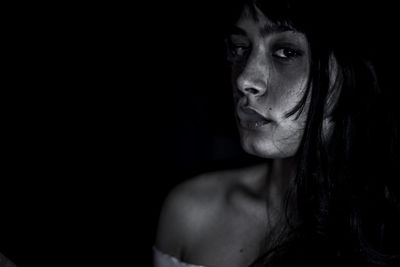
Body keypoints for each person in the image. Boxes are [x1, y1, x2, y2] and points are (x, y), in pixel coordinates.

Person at [153, 0, 400, 266]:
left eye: (286, 52)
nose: (244, 79)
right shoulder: (192, 212)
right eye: (239, 48)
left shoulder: (388, 227)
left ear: (352, 71)